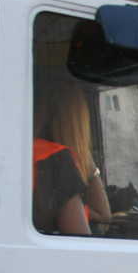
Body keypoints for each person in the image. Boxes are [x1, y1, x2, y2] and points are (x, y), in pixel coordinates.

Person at [32, 78, 111, 234]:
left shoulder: (21, 151)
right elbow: (102, 217)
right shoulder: (54, 157)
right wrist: (88, 161)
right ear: (76, 121)